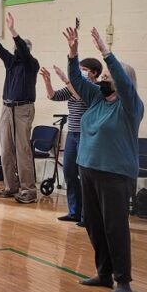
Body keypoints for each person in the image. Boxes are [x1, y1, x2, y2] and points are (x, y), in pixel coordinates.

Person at [65, 26, 143, 292]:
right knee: (94, 224)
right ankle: (104, 273)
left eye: (109, 77)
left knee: (115, 227)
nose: (104, 80)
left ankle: (123, 280)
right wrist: (73, 53)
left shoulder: (130, 107)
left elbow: (122, 81)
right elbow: (75, 78)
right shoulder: (97, 99)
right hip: (88, 168)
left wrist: (106, 54)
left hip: (115, 174)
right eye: (105, 76)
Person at [0, 8, 40, 204]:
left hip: (23, 109)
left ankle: (29, 190)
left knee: (22, 149)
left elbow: (22, 49)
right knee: (6, 148)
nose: (17, 50)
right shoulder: (10, 62)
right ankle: (11, 186)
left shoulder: (32, 64)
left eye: (21, 47)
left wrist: (13, 30)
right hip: (7, 108)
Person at [40, 58, 103, 225]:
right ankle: (74, 211)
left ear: (94, 73)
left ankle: (86, 216)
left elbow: (83, 98)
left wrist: (66, 80)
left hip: (86, 135)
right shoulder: (72, 87)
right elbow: (53, 96)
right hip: (72, 134)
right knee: (69, 172)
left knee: (85, 175)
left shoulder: (95, 89)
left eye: (83, 69)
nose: (80, 72)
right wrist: (47, 81)